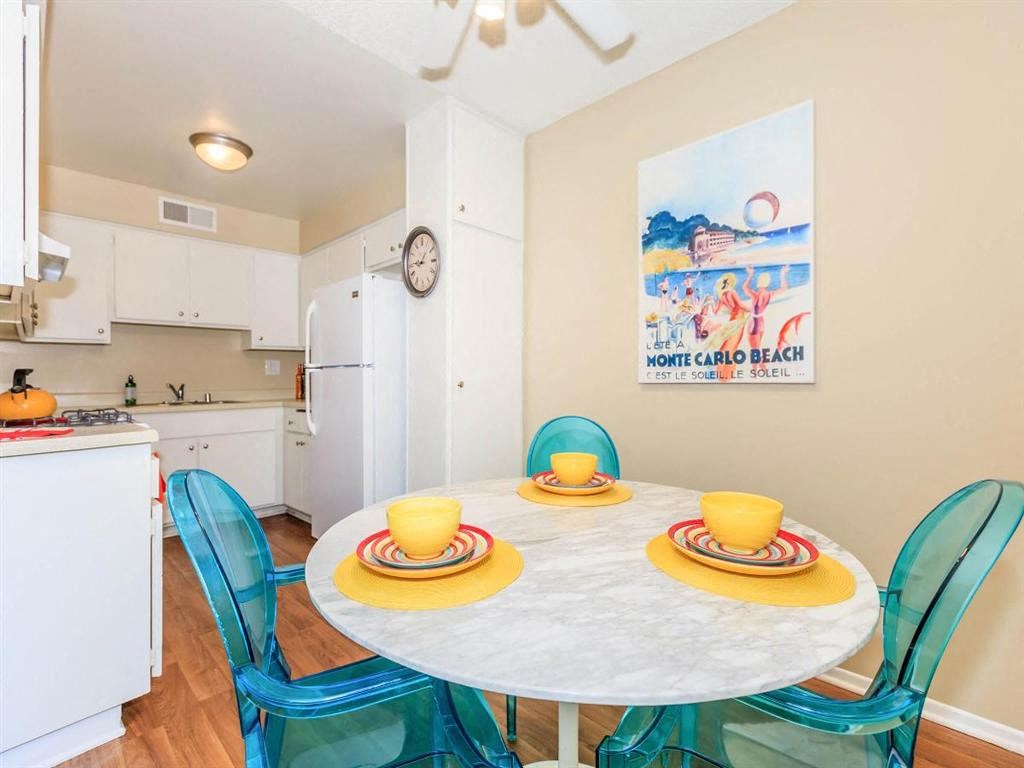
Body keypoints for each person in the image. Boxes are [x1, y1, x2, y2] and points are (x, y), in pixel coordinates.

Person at [743, 264, 790, 369]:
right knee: (757, 349)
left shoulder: (755, 295)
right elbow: (784, 288)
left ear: (759, 282)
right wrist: (782, 274)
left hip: (754, 322)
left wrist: (750, 275)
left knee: (755, 351)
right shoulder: (769, 294)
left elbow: (745, 287)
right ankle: (761, 372)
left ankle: (758, 372)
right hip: (761, 322)